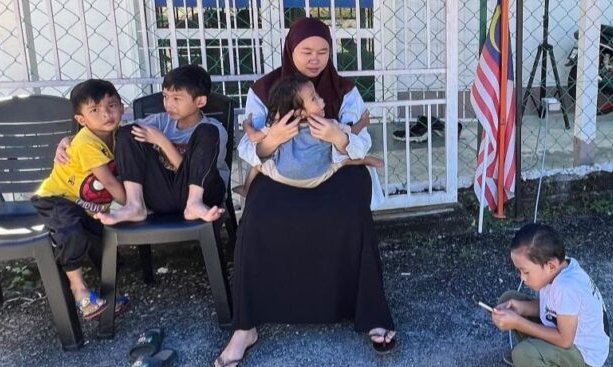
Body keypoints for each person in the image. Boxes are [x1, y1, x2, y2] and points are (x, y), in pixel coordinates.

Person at [209, 17, 396, 367]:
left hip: (334, 170)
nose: (315, 59)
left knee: (352, 208)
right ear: (290, 50)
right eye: (306, 51)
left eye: (323, 51)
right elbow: (250, 146)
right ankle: (245, 328)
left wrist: (339, 138)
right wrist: (272, 140)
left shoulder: (344, 90)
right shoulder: (265, 89)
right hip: (279, 170)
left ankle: (372, 313)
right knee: (257, 214)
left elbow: (361, 141)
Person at [490, 223, 609, 367]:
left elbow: (564, 340)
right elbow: (552, 309)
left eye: (525, 272)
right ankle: (537, 358)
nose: (522, 278)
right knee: (509, 300)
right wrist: (521, 309)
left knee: (522, 355)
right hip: (566, 335)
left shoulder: (566, 287)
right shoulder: (560, 269)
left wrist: (518, 322)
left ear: (551, 266)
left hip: (582, 355)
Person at [32, 80, 128, 318]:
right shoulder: (86, 143)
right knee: (70, 232)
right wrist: (136, 205)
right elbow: (109, 182)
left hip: (87, 206)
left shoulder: (118, 135)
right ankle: (79, 289)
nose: (106, 114)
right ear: (81, 119)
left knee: (103, 242)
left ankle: (109, 293)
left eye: (111, 105)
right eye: (94, 109)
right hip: (57, 198)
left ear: (122, 107)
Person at [97, 64, 228, 225]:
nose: (168, 104)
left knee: (208, 130)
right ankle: (134, 204)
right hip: (162, 194)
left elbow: (197, 175)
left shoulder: (215, 131)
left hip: (204, 195)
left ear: (200, 101)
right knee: (127, 132)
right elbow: (119, 135)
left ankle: (194, 204)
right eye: (165, 96)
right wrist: (72, 141)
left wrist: (162, 142)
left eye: (176, 99)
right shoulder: (160, 121)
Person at [239, 74, 383, 191]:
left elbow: (254, 136)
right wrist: (363, 122)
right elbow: (352, 131)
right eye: (314, 98)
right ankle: (364, 160)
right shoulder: (327, 124)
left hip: (282, 176)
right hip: (320, 176)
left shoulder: (279, 125)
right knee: (342, 161)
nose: (322, 100)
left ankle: (246, 188)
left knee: (257, 166)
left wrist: (246, 124)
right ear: (300, 112)